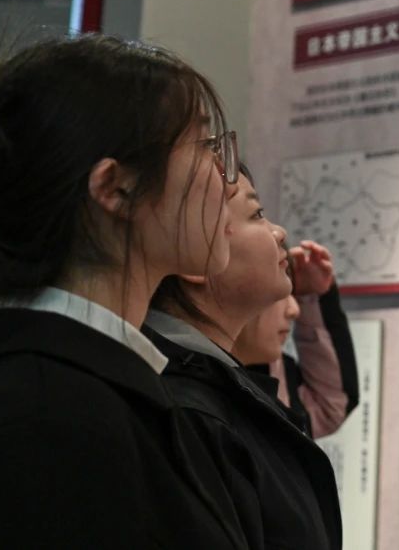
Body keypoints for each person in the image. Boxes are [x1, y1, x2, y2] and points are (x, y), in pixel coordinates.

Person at [0, 34, 248, 547]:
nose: (228, 181)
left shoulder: (89, 383)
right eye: (205, 147)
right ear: (115, 188)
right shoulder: (47, 416)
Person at [145, 168, 342, 549]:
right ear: (196, 257)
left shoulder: (214, 392)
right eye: (257, 214)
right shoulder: (187, 413)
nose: (278, 232)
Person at [234, 239, 359, 439]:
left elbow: (329, 408)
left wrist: (311, 297)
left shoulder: (273, 371)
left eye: (291, 291)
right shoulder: (187, 393)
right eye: (280, 289)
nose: (294, 310)